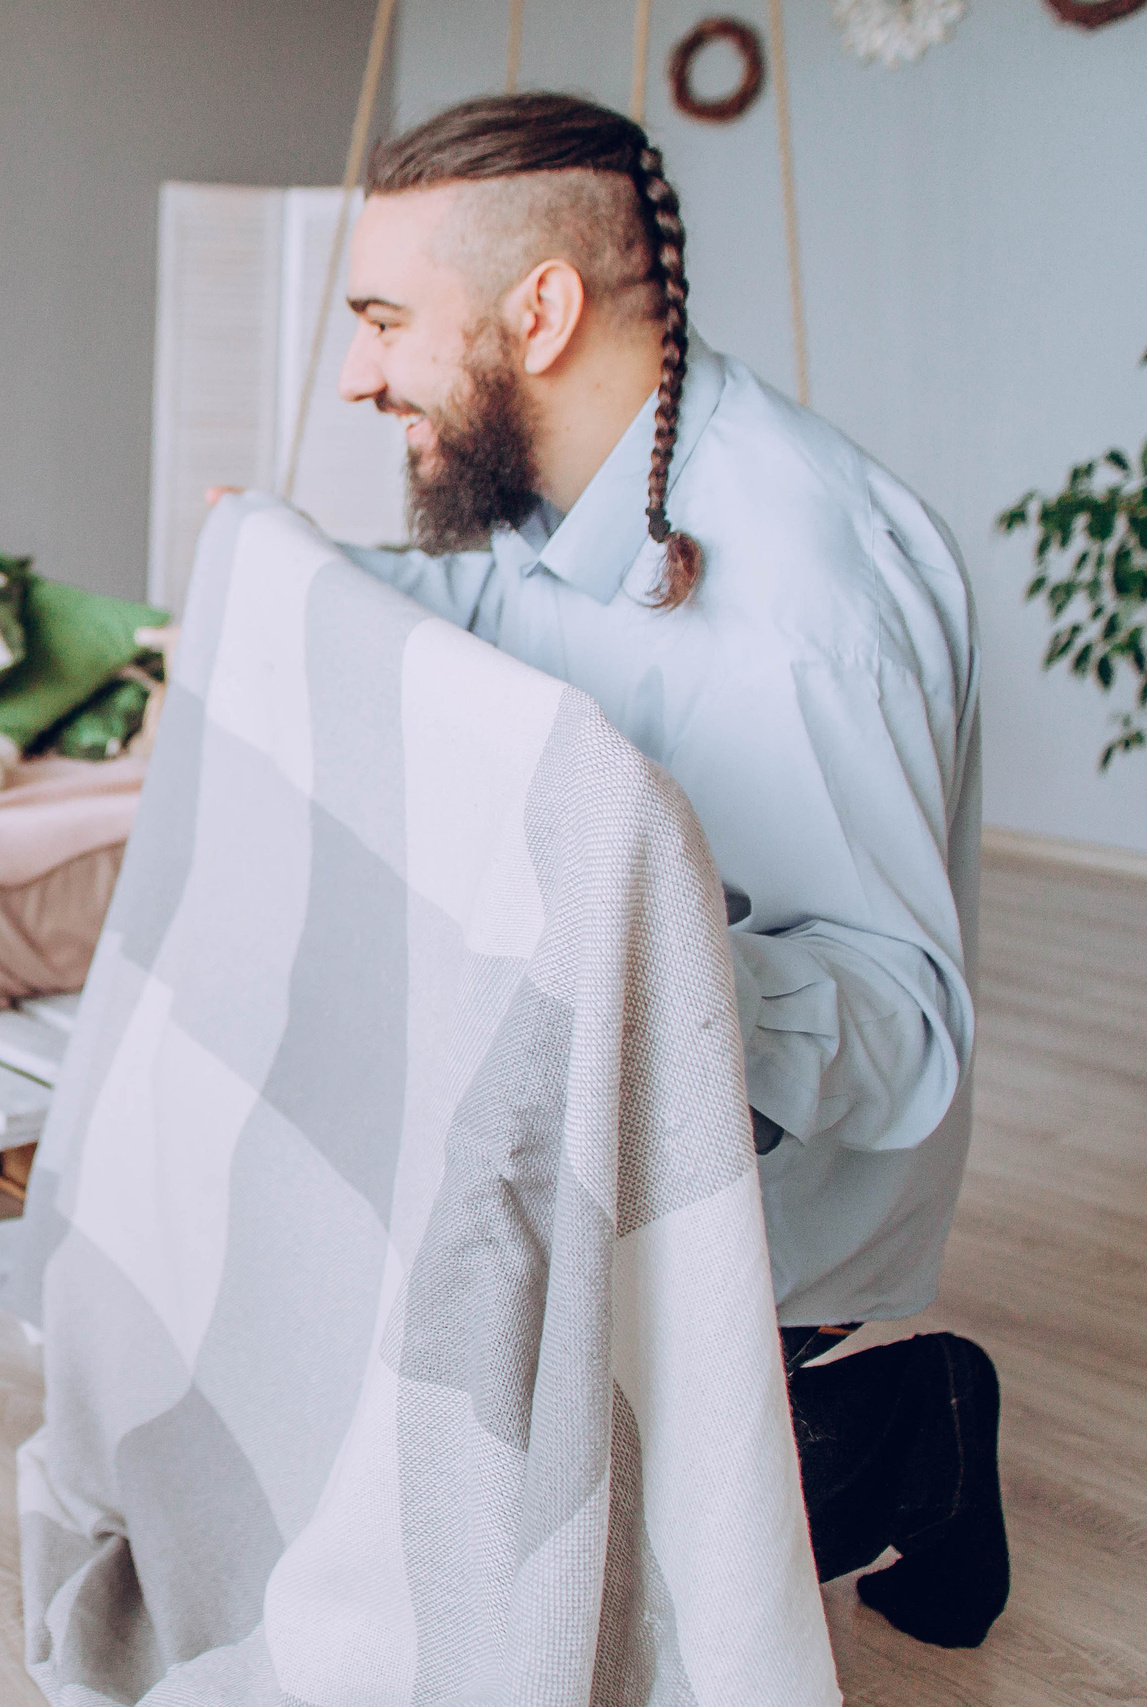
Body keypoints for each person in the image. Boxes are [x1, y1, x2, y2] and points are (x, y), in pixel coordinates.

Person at [320, 92, 1004, 1648]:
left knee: (542, 1574)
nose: (358, 375)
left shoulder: (803, 600)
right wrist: (275, 584)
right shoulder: (566, 481)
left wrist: (621, 983)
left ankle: (914, 1430)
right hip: (605, 1110)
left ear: (537, 311)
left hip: (780, 1174)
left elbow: (906, 1031)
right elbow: (487, 640)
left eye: (381, 321)